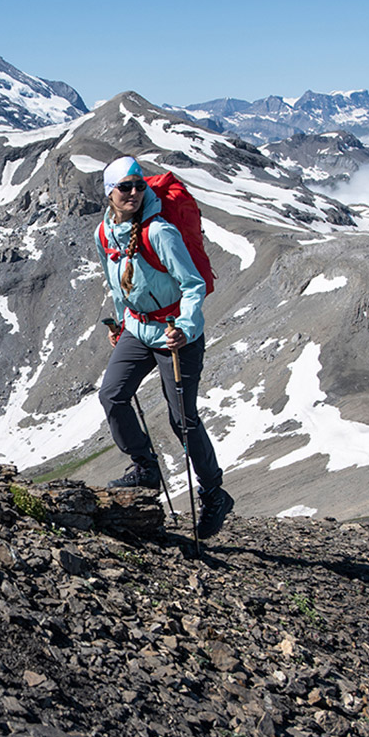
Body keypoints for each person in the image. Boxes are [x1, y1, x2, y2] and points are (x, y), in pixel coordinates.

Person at [95, 156, 232, 538]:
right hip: (139, 329)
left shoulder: (160, 232)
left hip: (176, 334)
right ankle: (146, 467)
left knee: (182, 420)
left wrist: (185, 327)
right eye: (125, 187)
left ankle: (214, 493)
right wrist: (122, 323)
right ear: (109, 192)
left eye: (139, 185)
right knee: (112, 395)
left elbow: (193, 284)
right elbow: (118, 283)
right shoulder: (104, 233)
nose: (134, 193)